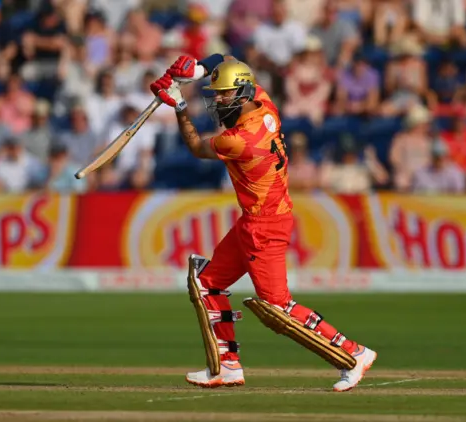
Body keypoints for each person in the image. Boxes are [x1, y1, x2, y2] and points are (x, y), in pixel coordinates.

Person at [148, 54, 376, 391]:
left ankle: (354, 353)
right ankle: (227, 366)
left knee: (277, 307)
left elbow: (196, 146)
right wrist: (197, 69)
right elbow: (227, 59)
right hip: (256, 220)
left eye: (223, 95)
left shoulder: (238, 140)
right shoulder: (265, 106)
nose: (217, 100)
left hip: (264, 227)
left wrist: (180, 105)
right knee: (207, 283)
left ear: (241, 94)